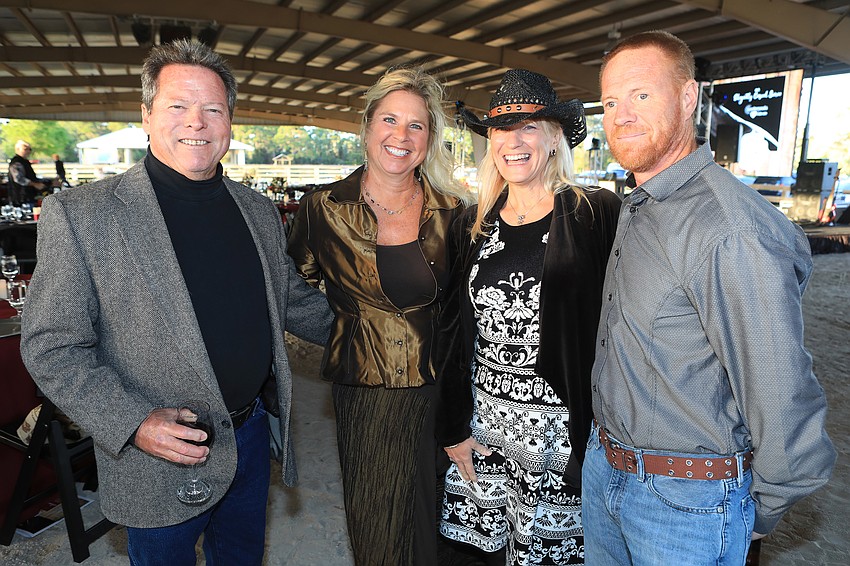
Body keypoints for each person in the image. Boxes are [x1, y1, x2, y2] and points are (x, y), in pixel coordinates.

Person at [20, 39, 333, 566]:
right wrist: (134, 423)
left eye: (213, 108)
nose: (197, 122)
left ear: (229, 120)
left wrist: (388, 327)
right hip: (159, 454)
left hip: (250, 436)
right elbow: (52, 346)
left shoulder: (257, 210)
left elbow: (292, 300)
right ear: (146, 115)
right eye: (178, 106)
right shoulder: (82, 214)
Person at [583, 30, 836, 564]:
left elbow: (780, 393)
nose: (622, 116)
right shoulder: (643, 203)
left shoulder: (728, 228)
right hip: (608, 471)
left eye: (641, 95)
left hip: (685, 503)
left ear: (688, 97)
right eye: (610, 102)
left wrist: (756, 511)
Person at [436, 69, 621, 565]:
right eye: (502, 129)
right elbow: (452, 331)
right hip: (486, 431)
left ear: (555, 137)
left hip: (561, 439)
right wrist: (453, 427)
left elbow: (623, 323)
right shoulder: (470, 223)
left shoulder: (595, 214)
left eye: (529, 127)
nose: (513, 142)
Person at [286, 66, 469, 566]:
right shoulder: (323, 209)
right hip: (366, 394)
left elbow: (466, 309)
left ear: (429, 139)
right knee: (377, 531)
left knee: (439, 528)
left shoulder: (455, 212)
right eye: (390, 120)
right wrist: (347, 331)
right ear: (367, 126)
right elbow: (290, 288)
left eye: (416, 125)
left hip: (439, 391)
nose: (401, 136)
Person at [7, 140, 56, 205]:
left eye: (30, 149)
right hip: (20, 198)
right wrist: (35, 184)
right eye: (25, 149)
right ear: (17, 149)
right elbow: (19, 179)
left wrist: (50, 181)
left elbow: (32, 178)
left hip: (29, 196)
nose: (28, 151)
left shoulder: (25, 162)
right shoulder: (16, 162)